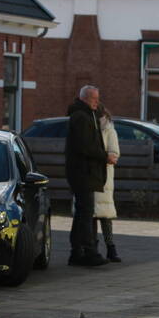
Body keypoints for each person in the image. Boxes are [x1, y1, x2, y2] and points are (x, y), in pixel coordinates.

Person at [64, 85, 112, 266]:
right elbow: (85, 146)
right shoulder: (81, 118)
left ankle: (76, 252)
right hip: (82, 172)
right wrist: (104, 156)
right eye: (94, 99)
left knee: (82, 213)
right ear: (85, 99)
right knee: (86, 213)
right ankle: (89, 251)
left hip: (82, 172)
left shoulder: (86, 114)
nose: (97, 102)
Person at [93, 103, 121, 262]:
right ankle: (100, 248)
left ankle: (109, 247)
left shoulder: (109, 130)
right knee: (96, 215)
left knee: (104, 214)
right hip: (95, 176)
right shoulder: (93, 128)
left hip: (103, 177)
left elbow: (113, 155)